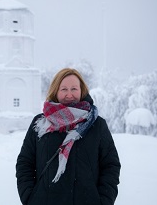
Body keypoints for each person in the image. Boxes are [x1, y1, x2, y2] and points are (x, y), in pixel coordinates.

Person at [16, 68, 121, 205]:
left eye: (74, 89)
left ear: (81, 90)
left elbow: (110, 165)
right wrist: (30, 198)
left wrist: (104, 201)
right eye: (64, 89)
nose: (69, 94)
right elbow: (25, 163)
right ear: (56, 91)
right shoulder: (40, 123)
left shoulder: (97, 124)